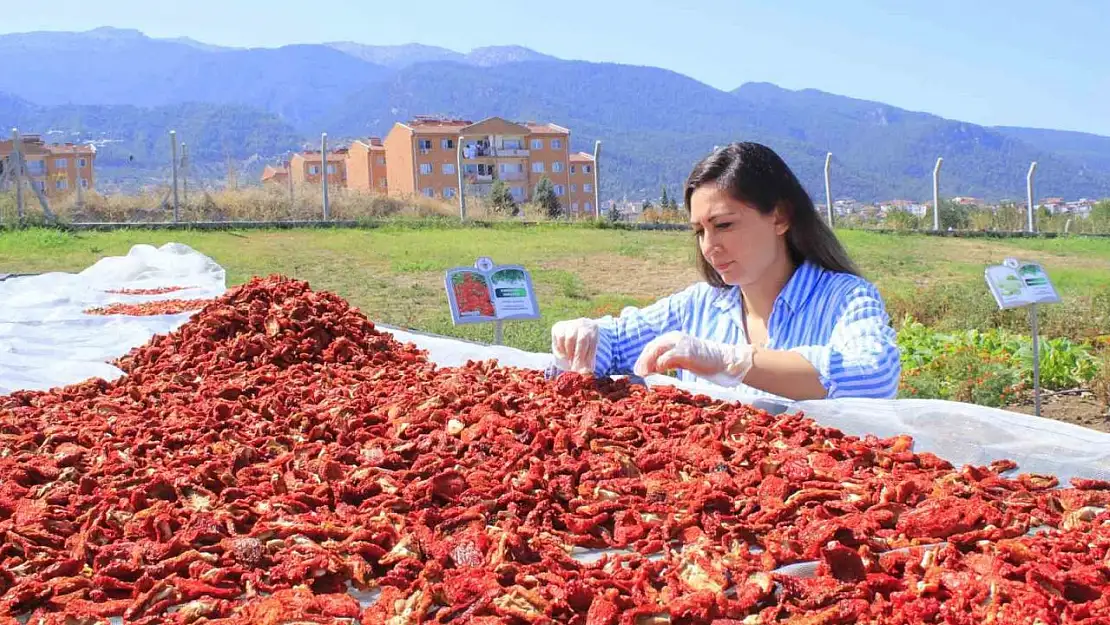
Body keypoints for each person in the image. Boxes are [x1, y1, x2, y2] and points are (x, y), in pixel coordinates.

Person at [550, 142, 901, 401]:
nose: (709, 246)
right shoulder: (699, 305)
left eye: (725, 225)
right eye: (700, 231)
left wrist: (731, 361)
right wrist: (584, 336)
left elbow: (872, 375)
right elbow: (615, 342)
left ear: (780, 217)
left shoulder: (845, 298)